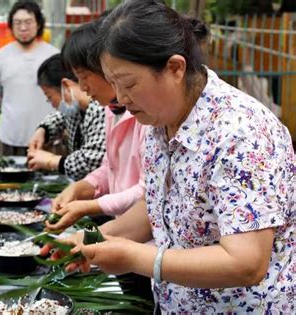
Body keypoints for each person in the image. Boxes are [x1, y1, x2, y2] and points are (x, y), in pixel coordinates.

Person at [46, 1, 295, 313]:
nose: (121, 99)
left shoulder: (242, 132)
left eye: (129, 84)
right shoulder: (159, 122)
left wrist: (137, 257)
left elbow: (246, 262)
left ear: (175, 68)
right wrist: (93, 238)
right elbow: (157, 206)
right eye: (114, 85)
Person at [46, 20, 147, 232]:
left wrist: (89, 207)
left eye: (84, 77)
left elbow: (146, 192)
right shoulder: (112, 110)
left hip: (141, 234)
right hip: (122, 228)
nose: (82, 87)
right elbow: (108, 167)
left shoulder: (146, 115)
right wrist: (78, 189)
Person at [0, 0, 59, 156]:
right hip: (10, 138)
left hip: (47, 139)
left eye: (28, 22)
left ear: (39, 24)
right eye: (17, 23)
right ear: (11, 25)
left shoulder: (54, 56)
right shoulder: (0, 57)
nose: (23, 28)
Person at [27, 54, 106, 180]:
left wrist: (51, 161)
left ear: (66, 87)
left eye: (49, 97)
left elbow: (92, 160)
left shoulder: (101, 110)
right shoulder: (76, 108)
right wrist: (43, 130)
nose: (52, 104)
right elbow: (60, 118)